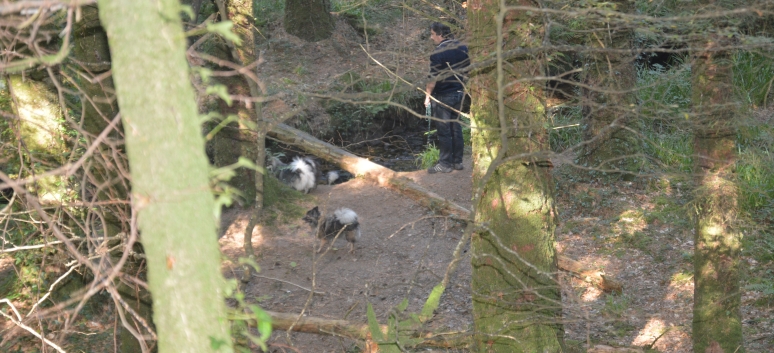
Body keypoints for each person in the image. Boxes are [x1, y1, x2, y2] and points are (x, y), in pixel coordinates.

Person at [425, 22, 469, 174]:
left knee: (444, 130)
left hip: (443, 95)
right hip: (459, 92)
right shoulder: (463, 47)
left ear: (440, 35)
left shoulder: (438, 53)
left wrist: (427, 96)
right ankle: (457, 162)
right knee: (455, 127)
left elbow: (433, 78)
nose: (432, 38)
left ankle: (445, 164)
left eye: (432, 34)